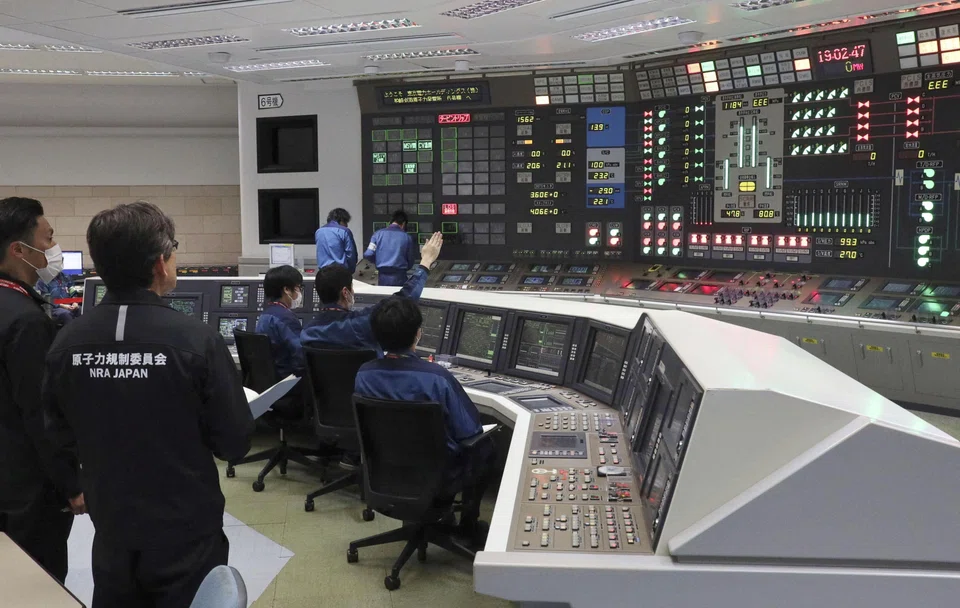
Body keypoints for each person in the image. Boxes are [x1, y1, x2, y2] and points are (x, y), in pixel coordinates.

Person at [41, 201, 255, 607]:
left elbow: (55, 431)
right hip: (185, 528)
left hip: (112, 526)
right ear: (160, 262)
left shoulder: (66, 343)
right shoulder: (197, 341)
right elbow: (234, 442)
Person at [354, 296, 493, 544]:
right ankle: (468, 526)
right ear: (418, 333)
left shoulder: (364, 374)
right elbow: (469, 430)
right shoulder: (437, 378)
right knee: (487, 446)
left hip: (384, 473)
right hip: (439, 479)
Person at [0, 197, 83, 583]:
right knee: (38, 584)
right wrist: (71, 483)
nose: (54, 248)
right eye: (48, 239)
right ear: (19, 250)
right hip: (26, 490)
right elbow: (39, 412)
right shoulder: (25, 321)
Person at [301, 232, 443, 353]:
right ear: (345, 292)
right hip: (364, 378)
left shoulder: (307, 333)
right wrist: (425, 262)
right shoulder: (362, 323)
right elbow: (403, 301)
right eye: (352, 287)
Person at [255, 264, 305, 379]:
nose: (299, 292)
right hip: (288, 381)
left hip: (269, 380)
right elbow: (301, 355)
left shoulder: (264, 315)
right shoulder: (286, 318)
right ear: (287, 290)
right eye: (298, 288)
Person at [363, 210, 416, 286]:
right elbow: (410, 259)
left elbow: (368, 254)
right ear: (404, 223)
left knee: (384, 293)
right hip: (400, 277)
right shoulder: (407, 237)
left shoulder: (377, 234)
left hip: (382, 277)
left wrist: (378, 261)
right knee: (399, 294)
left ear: (391, 221)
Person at [315, 207, 358, 273]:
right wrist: (351, 271)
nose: (346, 225)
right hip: (340, 272)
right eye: (345, 222)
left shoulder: (319, 232)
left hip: (323, 272)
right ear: (341, 220)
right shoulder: (344, 231)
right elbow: (351, 254)